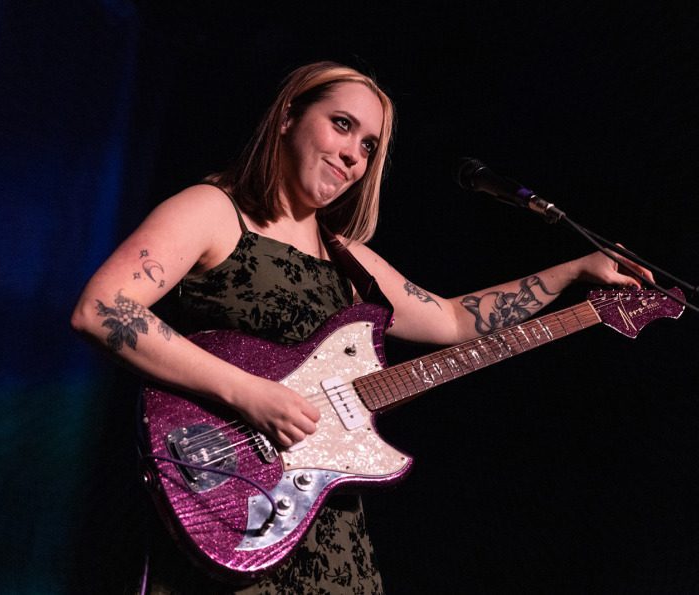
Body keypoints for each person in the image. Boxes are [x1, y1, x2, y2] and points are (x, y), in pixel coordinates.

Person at [71, 61, 653, 594]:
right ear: (288, 117)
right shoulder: (213, 210)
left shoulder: (348, 258)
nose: (354, 153)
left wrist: (576, 269)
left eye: (369, 145)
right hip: (229, 501)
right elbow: (101, 308)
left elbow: (452, 319)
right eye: (342, 125)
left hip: (328, 530)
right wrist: (249, 393)